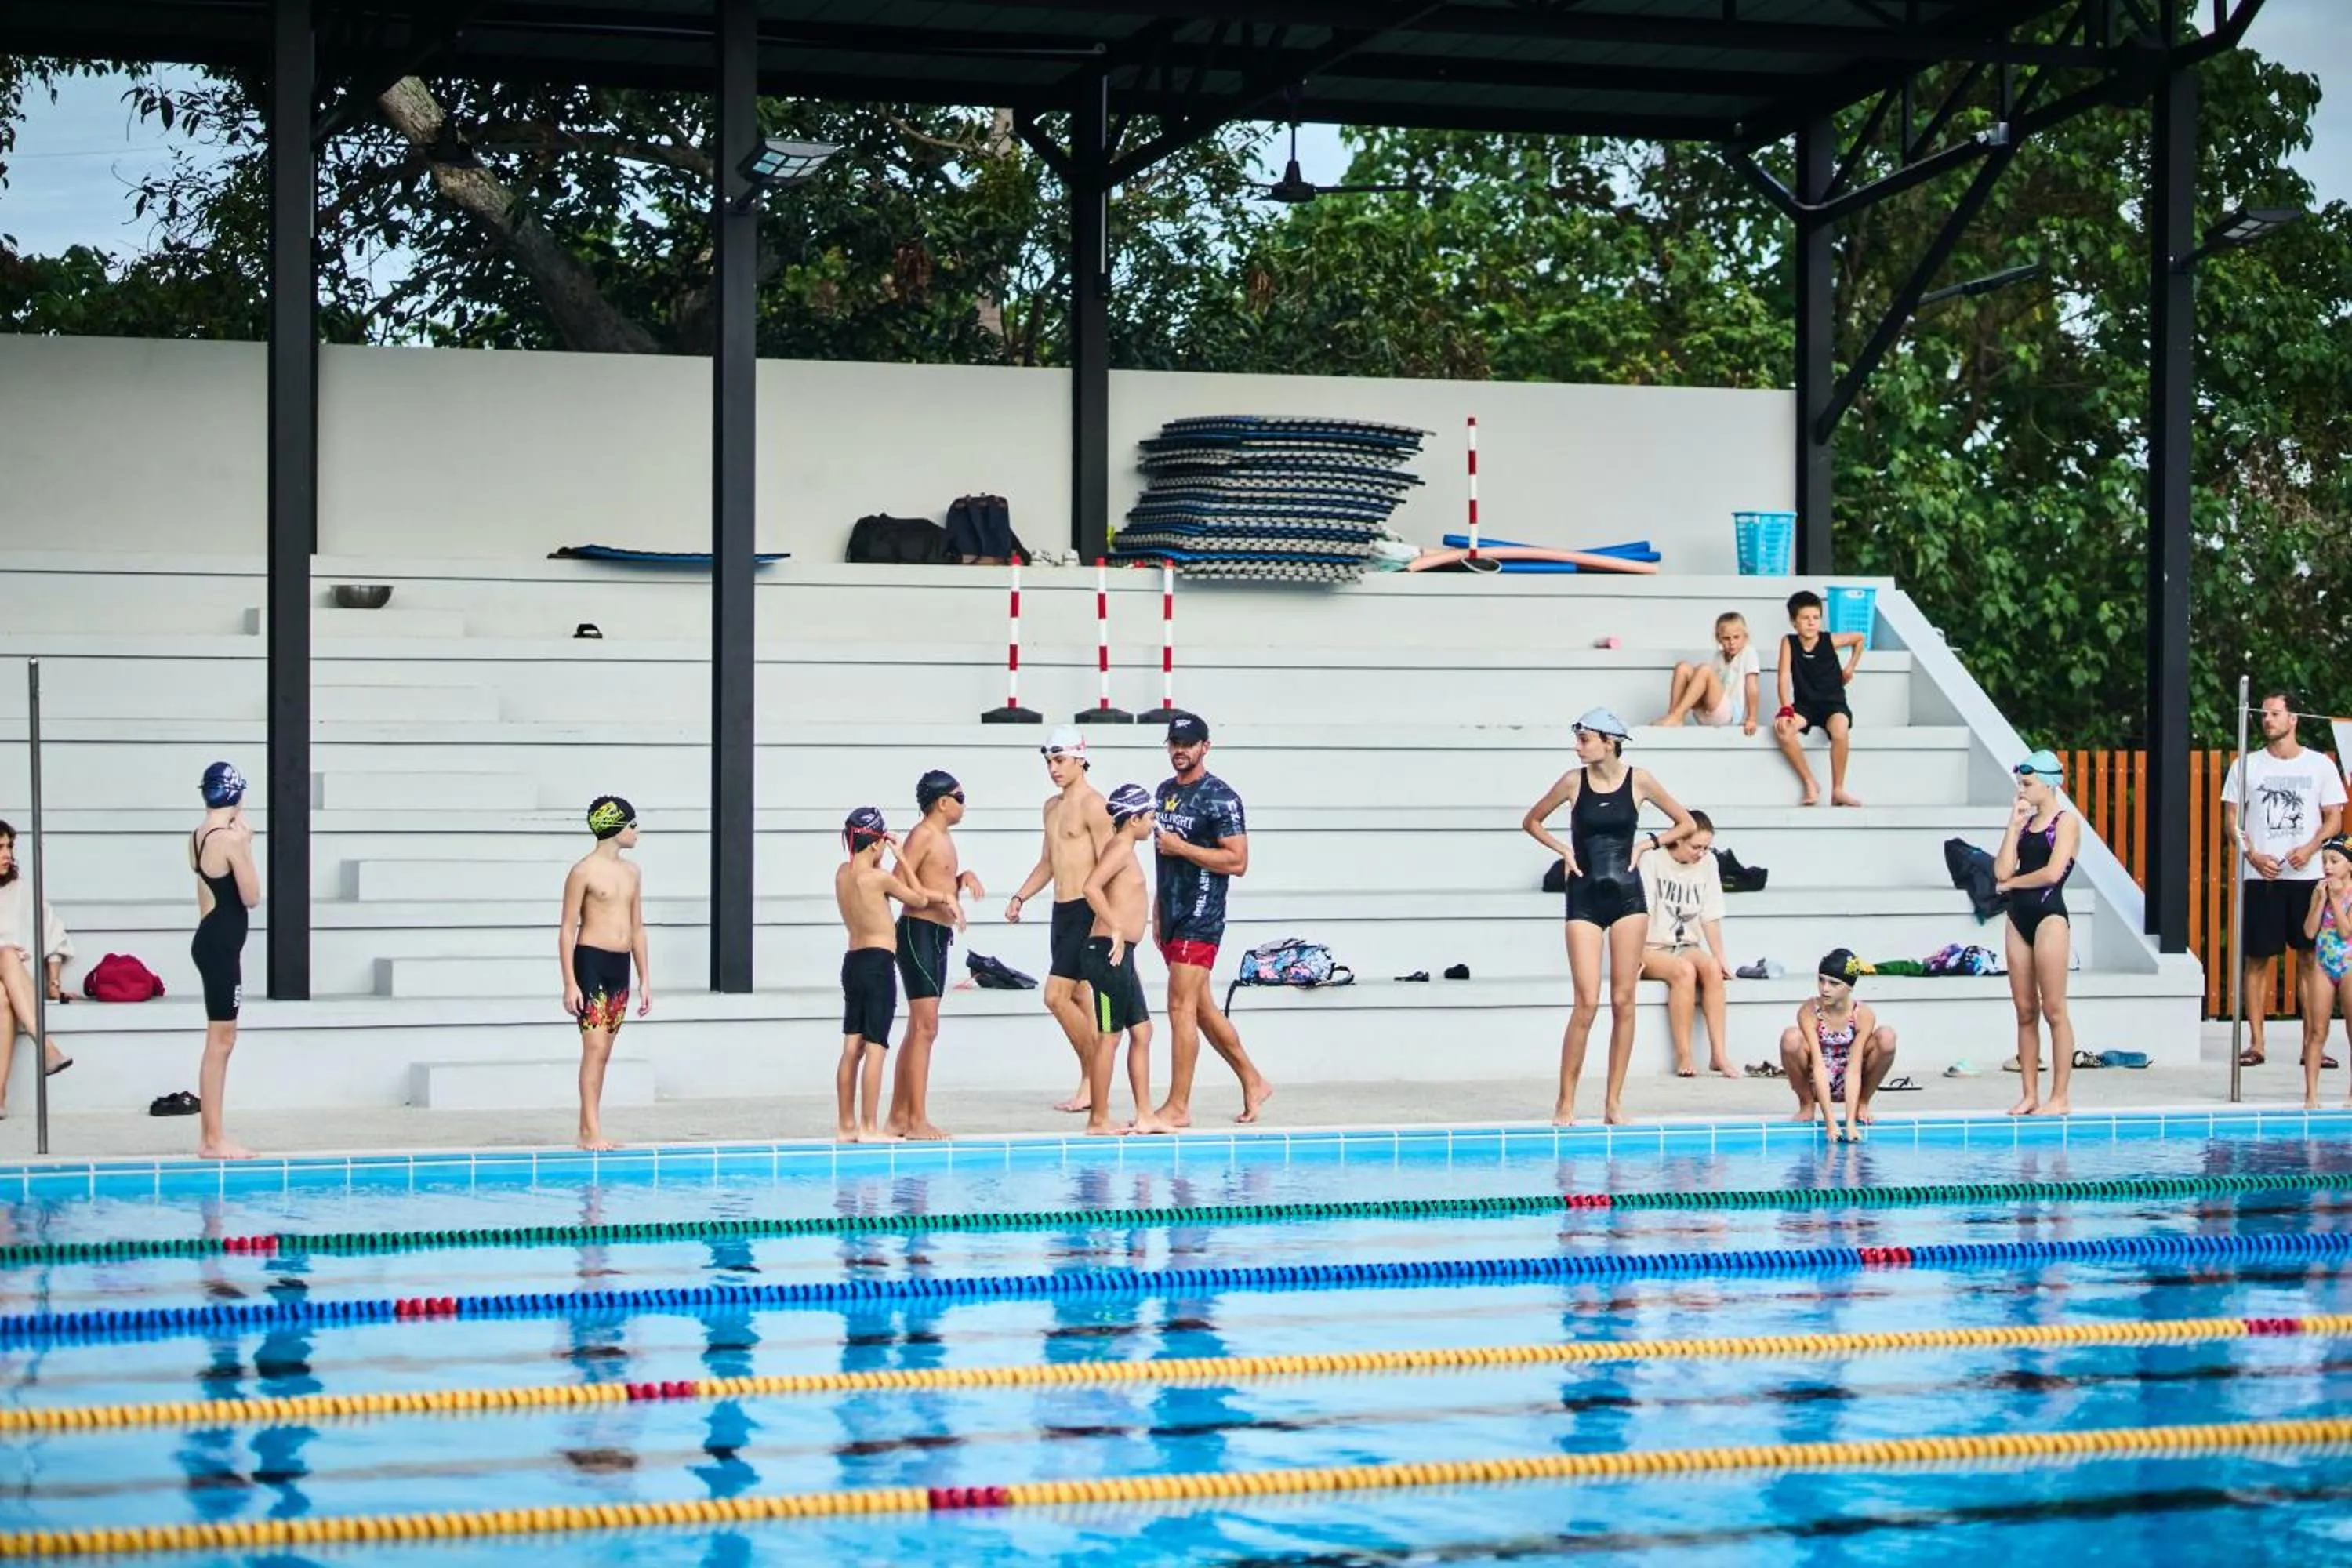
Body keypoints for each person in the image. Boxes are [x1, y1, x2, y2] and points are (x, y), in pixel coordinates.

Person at [1521, 707, 1697, 1125]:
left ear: (1609, 742)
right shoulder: (1571, 782)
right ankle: (1565, 1102)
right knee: (1586, 1001)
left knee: (1623, 1000)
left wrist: (1648, 844)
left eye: (1584, 739)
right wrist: (1562, 849)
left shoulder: (1640, 780)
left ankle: (1613, 1102)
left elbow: (1686, 822)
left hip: (1627, 898)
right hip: (1583, 895)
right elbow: (1531, 821)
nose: (1577, 747)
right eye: (1578, 739)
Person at [1152, 711, 1275, 1127]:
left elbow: (1238, 861)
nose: (1180, 751)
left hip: (1202, 916)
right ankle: (1253, 1079)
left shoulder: (1221, 797)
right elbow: (1161, 858)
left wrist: (1183, 847)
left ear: (1205, 746)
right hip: (1172, 913)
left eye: (1188, 744)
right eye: (1174, 744)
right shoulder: (1164, 792)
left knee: (1178, 1006)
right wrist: (1157, 912)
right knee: (1201, 1010)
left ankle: (1178, 1106)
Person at [2220, 691, 2347, 1069]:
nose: (2267, 720)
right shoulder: (2247, 765)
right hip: (2262, 876)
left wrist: (2310, 849)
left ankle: (2313, 1043)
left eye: (2275, 714)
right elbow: (2231, 819)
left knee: (2309, 958)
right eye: (2264, 714)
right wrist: (2251, 854)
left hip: (2308, 876)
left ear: (2294, 719)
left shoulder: (2319, 766)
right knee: (2257, 958)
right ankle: (2256, 1043)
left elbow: (2334, 819)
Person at [1005, 728, 1116, 1114]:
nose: (1053, 769)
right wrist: (1021, 895)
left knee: (1054, 995)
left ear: (1080, 759)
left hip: (1087, 911)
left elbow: (1110, 865)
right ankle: (1089, 1085)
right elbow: (1048, 863)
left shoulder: (1094, 806)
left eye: (1060, 761)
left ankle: (1098, 1074)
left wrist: (1110, 921)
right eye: (1049, 762)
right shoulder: (1051, 808)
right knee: (1077, 995)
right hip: (1061, 911)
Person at [886, 771, 982, 1142]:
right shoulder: (923, 835)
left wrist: (962, 880)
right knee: (926, 1028)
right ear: (943, 802)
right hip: (917, 933)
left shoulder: (943, 838)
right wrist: (945, 898)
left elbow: (936, 881)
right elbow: (898, 882)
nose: (964, 803)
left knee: (918, 1029)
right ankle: (917, 1121)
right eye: (961, 797)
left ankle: (899, 1116)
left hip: (937, 935)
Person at [834, 807, 938, 1143]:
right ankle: (868, 1127)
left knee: (852, 1047)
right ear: (876, 843)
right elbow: (920, 898)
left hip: (852, 963)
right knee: (876, 1047)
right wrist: (901, 856)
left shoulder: (842, 874)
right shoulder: (878, 878)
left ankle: (846, 1125)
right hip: (878, 964)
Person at [559, 796, 652, 1152]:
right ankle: (591, 1130)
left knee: (605, 1052)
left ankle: (589, 1128)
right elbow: (568, 928)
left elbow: (638, 928)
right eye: (632, 825)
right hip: (591, 963)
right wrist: (569, 982)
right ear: (615, 828)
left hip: (620, 966)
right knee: (594, 1048)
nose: (637, 831)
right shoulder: (583, 871)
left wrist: (645, 980)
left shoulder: (632, 873)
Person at [1994, 751, 2082, 1116]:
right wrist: (2012, 827)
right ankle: (2030, 1094)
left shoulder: (2066, 822)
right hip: (2018, 918)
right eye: (2020, 784)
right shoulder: (2025, 822)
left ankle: (2059, 1097)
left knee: (2054, 1009)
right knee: (2025, 1011)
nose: (2022, 790)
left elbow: (2051, 873)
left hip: (2049, 917)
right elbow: (2000, 872)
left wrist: (2012, 882)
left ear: (2049, 784)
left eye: (2028, 784)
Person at [1080, 783, 1168, 1136]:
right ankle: (1098, 1119)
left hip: (1120, 956)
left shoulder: (1125, 848)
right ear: (1133, 819)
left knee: (1143, 1031)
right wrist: (1116, 925)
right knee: (1109, 1036)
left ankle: (1145, 1114)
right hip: (1105, 955)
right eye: (1150, 817)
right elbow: (1091, 887)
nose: (1153, 823)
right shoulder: (1119, 848)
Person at [188, 762, 260, 1160]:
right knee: (221, 1041)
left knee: (219, 1041)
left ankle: (212, 1135)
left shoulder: (198, 836)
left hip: (210, 941)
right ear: (236, 795)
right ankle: (212, 1139)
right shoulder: (230, 841)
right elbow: (251, 896)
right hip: (220, 948)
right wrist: (246, 844)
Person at [1636, 808, 1735, 1079]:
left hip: (1686, 945)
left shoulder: (1709, 863)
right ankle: (1684, 1055)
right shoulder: (1652, 859)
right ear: (1677, 839)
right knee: (1684, 972)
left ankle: (1719, 1055)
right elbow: (1642, 911)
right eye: (1696, 847)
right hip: (1651, 946)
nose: (1701, 853)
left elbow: (1710, 915)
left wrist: (1721, 958)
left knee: (1712, 969)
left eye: (1706, 847)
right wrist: (1633, 957)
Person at [1778, 948, 1899, 1141]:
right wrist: (1830, 1122)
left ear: (1849, 987)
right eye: (1821, 980)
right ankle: (1807, 1103)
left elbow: (1854, 1068)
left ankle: (1862, 1103)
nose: (1825, 988)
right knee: (1790, 1037)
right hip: (1817, 1081)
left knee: (1887, 1036)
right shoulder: (1809, 1011)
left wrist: (1849, 1123)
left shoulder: (1863, 1015)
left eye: (1834, 983)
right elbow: (1818, 1065)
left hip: (1852, 1081)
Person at [0, 819, 74, 1116]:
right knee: (6, 953)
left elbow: (52, 931)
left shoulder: (21, 890)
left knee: (3, 1000)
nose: (7, 854)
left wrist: (53, 983)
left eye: (9, 847)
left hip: (12, 982)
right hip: (8, 963)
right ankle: (45, 1048)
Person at [1770, 590, 1866, 808]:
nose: (1811, 623)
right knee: (1783, 730)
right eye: (1805, 618)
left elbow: (1860, 638)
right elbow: (1783, 676)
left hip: (1833, 704)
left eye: (1816, 617)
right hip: (1805, 706)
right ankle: (1810, 782)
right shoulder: (1789, 642)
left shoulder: (1829, 640)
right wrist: (1786, 708)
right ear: (1794, 622)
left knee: (1840, 730)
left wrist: (1850, 668)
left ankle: (1838, 789)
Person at [1652, 612, 1762, 735]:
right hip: (1707, 713)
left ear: (1745, 637)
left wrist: (1752, 718)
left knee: (1705, 669)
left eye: (1736, 637)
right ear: (1718, 638)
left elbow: (1752, 687)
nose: (1731, 642)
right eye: (1726, 638)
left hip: (1729, 715)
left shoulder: (1749, 652)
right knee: (1682, 667)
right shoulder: (1718, 656)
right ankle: (1674, 716)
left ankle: (1678, 714)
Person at [2305, 836, 2352, 1111]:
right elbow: (2310, 931)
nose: (2327, 866)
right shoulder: (2319, 890)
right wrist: (2321, 900)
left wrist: (2335, 899)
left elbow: (2346, 931)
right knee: (2316, 1031)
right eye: (2324, 861)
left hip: (2349, 963)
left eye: (2334, 861)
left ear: (2349, 866)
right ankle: (2311, 1097)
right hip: (2324, 963)